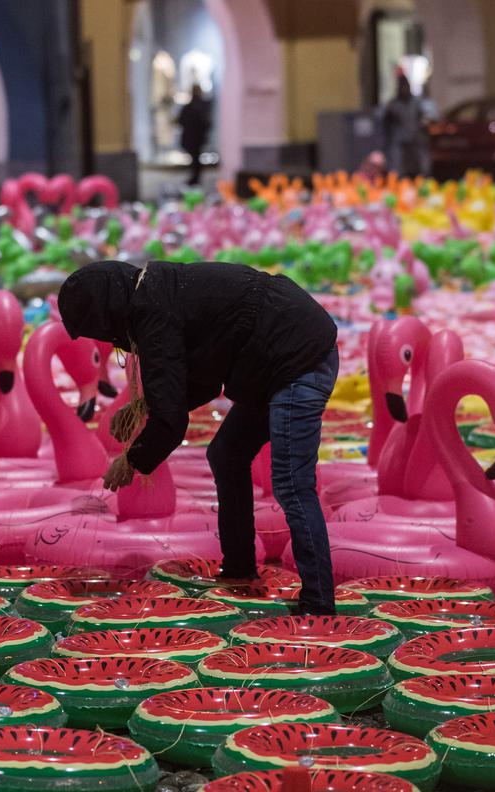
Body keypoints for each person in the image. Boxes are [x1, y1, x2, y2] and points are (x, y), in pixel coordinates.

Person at [58, 261, 340, 615]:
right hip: (271, 359)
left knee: (291, 483)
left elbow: (172, 422)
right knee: (226, 454)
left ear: (108, 314)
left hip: (298, 358)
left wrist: (132, 460)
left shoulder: (152, 312)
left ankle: (319, 604)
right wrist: (144, 407)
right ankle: (239, 568)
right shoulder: (158, 293)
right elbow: (204, 379)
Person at [381, 73, 427, 177]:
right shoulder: (393, 104)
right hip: (399, 141)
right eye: (402, 87)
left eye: (406, 86)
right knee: (398, 167)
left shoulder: (416, 102)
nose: (404, 89)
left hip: (415, 140)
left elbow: (423, 118)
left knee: (419, 167)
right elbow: (386, 124)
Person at [177, 84, 213, 186]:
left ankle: (195, 178)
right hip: (198, 137)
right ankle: (195, 178)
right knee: (196, 159)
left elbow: (181, 120)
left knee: (195, 159)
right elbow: (208, 123)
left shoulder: (190, 106)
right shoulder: (203, 106)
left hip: (191, 137)